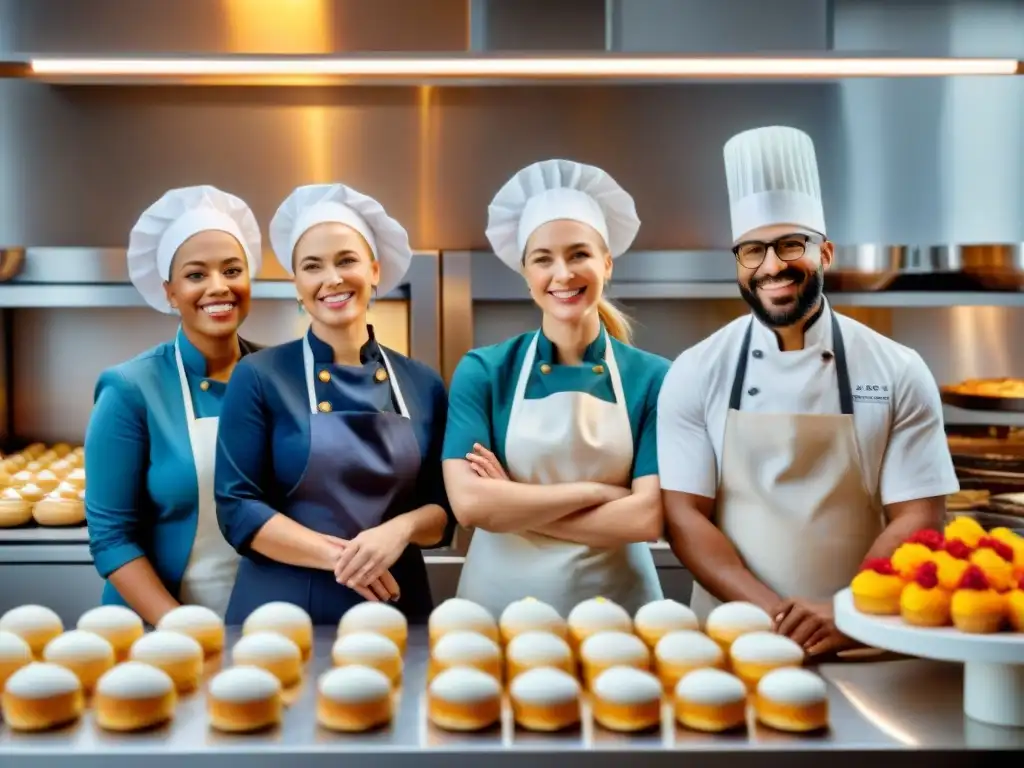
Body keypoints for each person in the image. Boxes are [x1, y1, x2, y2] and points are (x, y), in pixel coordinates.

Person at [657, 126, 959, 655]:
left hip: (863, 638)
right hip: (733, 642)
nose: (772, 266)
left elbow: (917, 515)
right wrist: (777, 617)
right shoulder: (695, 371)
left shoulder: (898, 369)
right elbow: (684, 514)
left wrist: (849, 610)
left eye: (790, 244)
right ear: (737, 263)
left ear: (826, 252)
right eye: (753, 250)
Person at [214, 182, 453, 625]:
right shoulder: (260, 375)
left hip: (396, 606)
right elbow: (237, 506)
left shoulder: (423, 383)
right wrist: (348, 559)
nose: (332, 279)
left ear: (375, 270)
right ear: (297, 285)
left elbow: (442, 512)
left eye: (346, 260)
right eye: (312, 266)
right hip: (280, 614)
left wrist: (398, 531)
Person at [443, 159, 668, 618]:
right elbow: (469, 505)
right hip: (498, 615)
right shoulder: (484, 371)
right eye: (543, 259)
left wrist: (515, 505)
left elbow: (646, 518)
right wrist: (598, 494)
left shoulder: (654, 378)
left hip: (618, 616)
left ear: (606, 263)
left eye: (579, 254)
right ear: (526, 275)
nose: (562, 274)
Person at [85, 185, 264, 624]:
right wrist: (179, 626)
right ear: (169, 292)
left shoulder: (278, 376)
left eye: (232, 270)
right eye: (196, 274)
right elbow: (112, 537)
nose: (218, 287)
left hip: (265, 622)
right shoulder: (131, 389)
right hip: (156, 631)